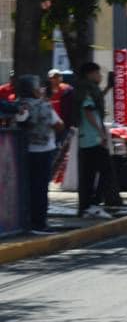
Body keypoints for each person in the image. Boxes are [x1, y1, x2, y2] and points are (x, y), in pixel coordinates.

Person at [13, 74, 63, 234]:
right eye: (38, 86)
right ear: (34, 90)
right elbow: (58, 125)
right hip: (43, 150)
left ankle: (23, 221)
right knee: (40, 188)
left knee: (24, 188)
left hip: (20, 152)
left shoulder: (16, 105)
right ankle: (39, 223)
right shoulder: (44, 105)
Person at [69, 62, 114, 219]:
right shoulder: (87, 89)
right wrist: (101, 133)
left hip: (86, 139)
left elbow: (94, 101)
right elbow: (89, 110)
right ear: (90, 74)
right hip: (92, 138)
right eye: (97, 73)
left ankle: (87, 207)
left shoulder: (83, 88)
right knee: (107, 170)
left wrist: (108, 87)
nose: (100, 76)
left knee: (89, 175)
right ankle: (94, 204)